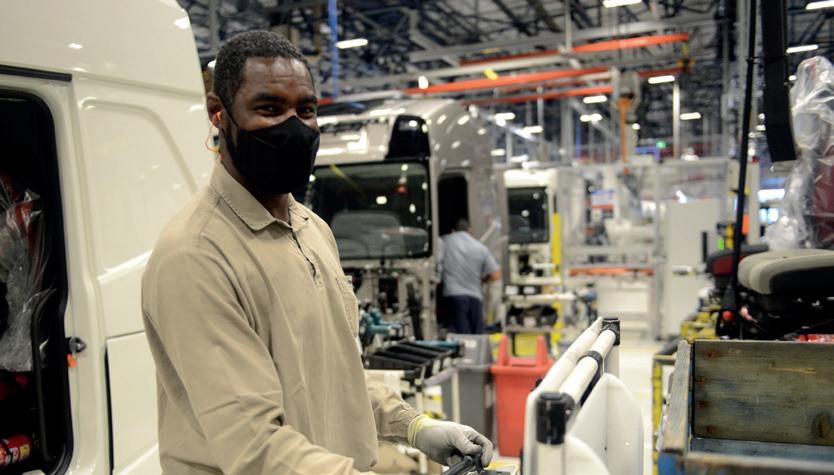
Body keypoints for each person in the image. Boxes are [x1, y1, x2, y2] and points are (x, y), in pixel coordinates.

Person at [141, 31, 493, 474]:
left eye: (305, 110)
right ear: (219, 113)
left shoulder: (312, 230)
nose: (293, 127)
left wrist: (416, 426)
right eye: (269, 108)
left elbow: (336, 376)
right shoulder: (196, 256)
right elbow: (255, 447)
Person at [440, 219, 501, 334]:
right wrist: (482, 280)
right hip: (475, 298)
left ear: (452, 231)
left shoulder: (444, 241)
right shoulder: (481, 247)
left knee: (460, 336)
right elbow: (496, 275)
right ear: (470, 230)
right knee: (476, 337)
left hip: (453, 296)